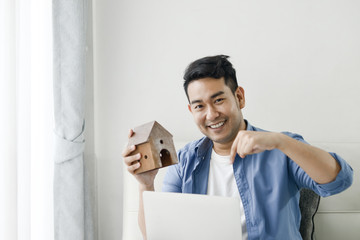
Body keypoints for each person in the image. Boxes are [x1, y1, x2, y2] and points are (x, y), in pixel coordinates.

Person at [122, 55, 353, 239]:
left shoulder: (280, 147)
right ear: (192, 111)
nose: (211, 114)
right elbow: (160, 234)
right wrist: (146, 183)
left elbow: (339, 180)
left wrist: (280, 141)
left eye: (219, 100)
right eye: (200, 106)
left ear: (239, 97)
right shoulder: (184, 162)